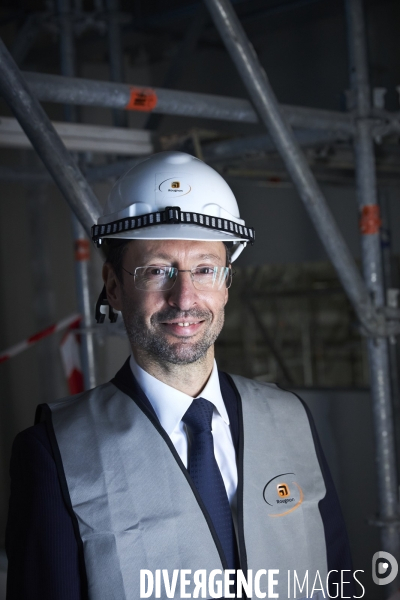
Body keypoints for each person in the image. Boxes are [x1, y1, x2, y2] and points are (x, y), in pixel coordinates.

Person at [6, 151, 353, 600]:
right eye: (157, 271)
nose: (185, 297)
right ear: (113, 286)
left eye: (205, 269)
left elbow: (338, 576)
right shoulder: (55, 451)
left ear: (226, 282)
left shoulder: (290, 418)